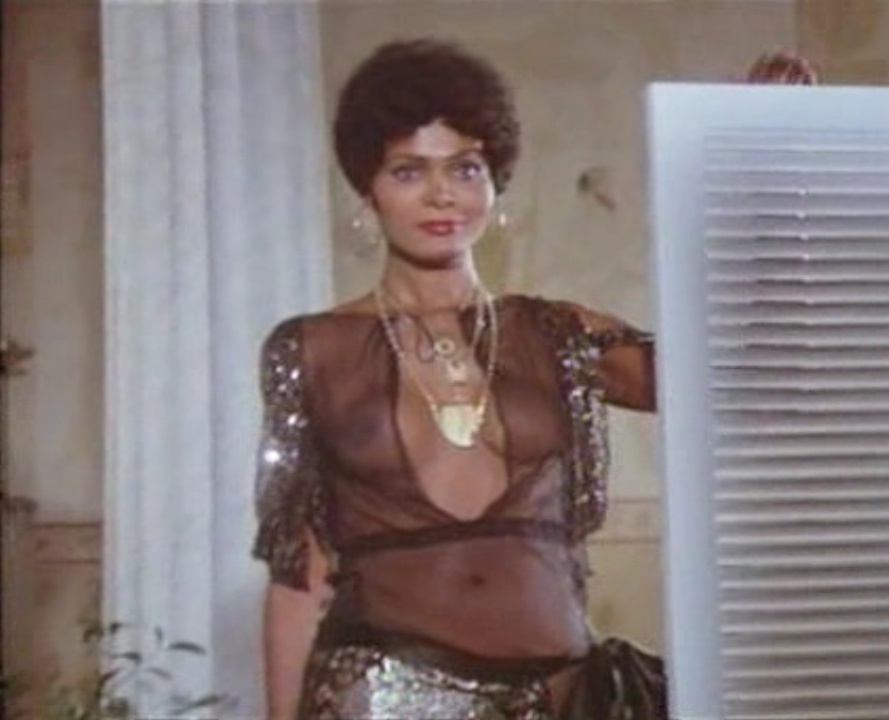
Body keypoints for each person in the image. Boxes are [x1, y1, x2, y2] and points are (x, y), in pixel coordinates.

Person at [252, 38, 815, 720]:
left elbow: (740, 379)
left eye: (465, 168)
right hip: (387, 698)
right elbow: (298, 577)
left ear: (495, 184)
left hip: (568, 697)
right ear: (367, 189)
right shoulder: (314, 350)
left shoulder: (556, 334)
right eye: (408, 171)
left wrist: (766, 169)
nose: (441, 194)